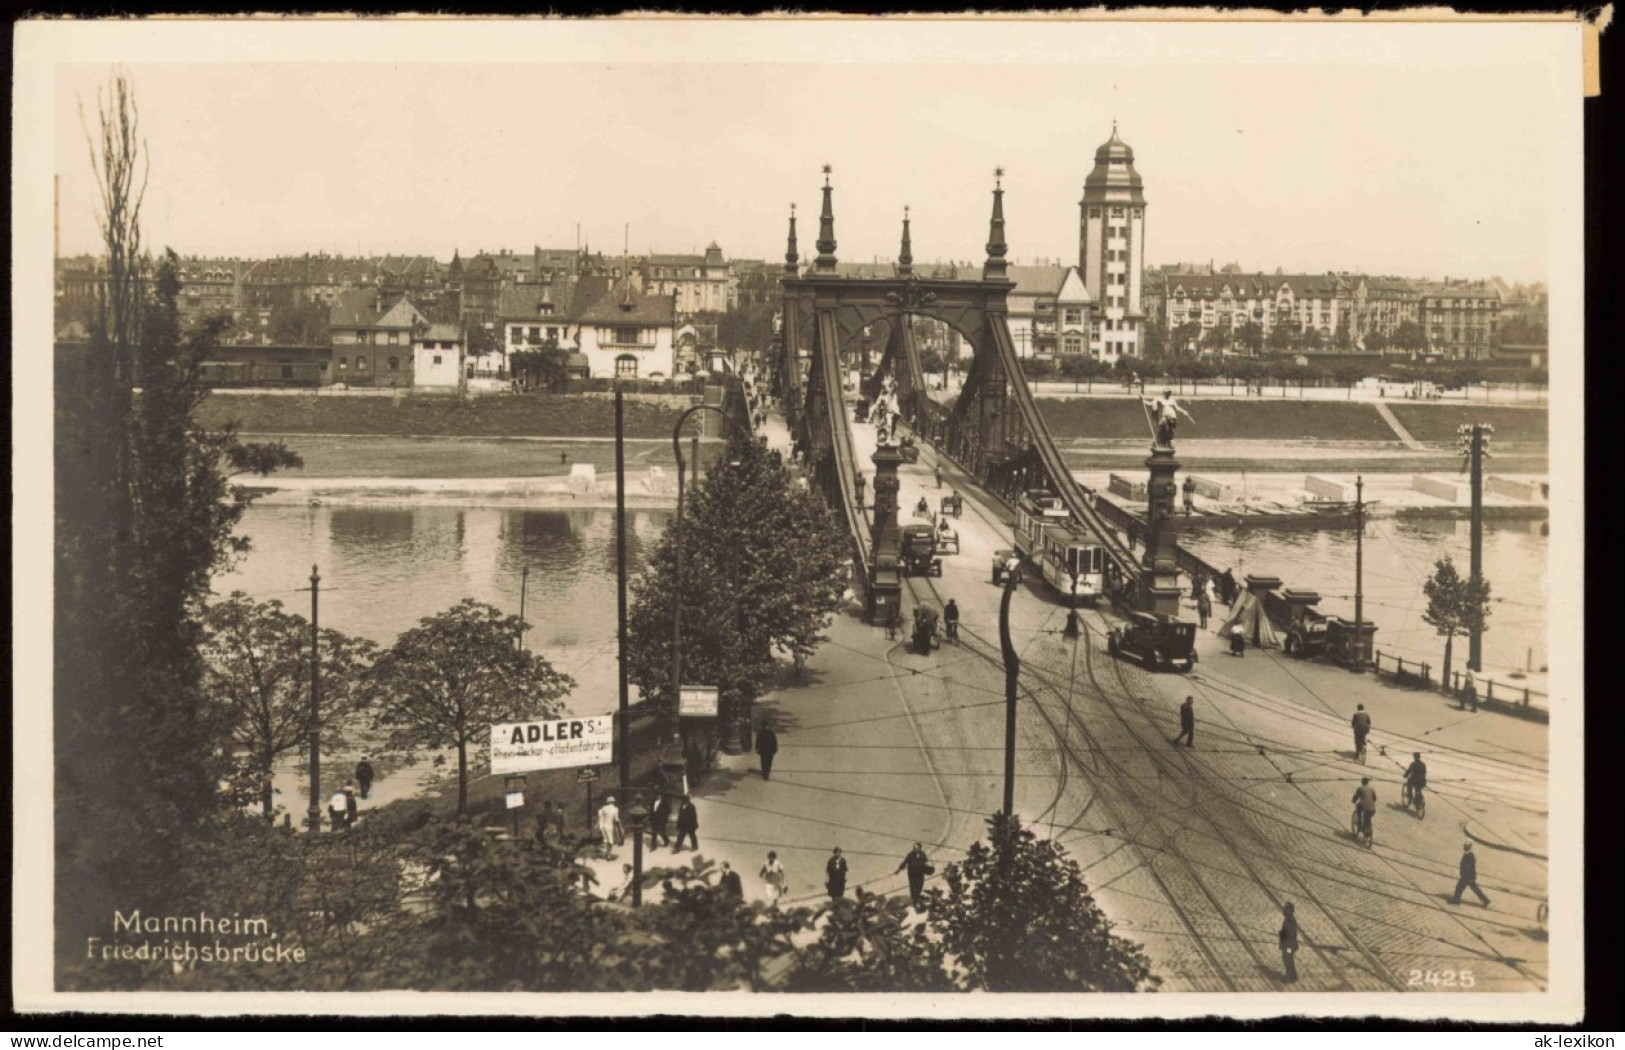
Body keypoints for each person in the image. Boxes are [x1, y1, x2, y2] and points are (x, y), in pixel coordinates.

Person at [896, 843, 933, 908]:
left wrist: (929, 868)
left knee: (919, 886)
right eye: (914, 848)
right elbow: (905, 862)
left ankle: (917, 899)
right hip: (912, 874)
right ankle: (914, 901)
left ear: (919, 848)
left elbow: (926, 862)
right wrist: (899, 869)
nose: (915, 849)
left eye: (916, 848)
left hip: (920, 873)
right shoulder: (910, 854)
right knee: (913, 887)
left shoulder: (923, 854)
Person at [1278, 903, 1300, 983]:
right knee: (1287, 959)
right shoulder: (1288, 919)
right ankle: (1293, 975)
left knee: (1288, 960)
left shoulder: (1289, 920)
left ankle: (1290, 976)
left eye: (1287, 909)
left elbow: (1291, 933)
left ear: (1291, 910)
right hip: (1287, 944)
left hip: (1289, 945)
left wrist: (1282, 934)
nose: (1286, 911)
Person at [597, 794, 621, 860]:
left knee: (606, 840)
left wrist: (600, 826)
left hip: (603, 825)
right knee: (610, 841)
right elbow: (616, 819)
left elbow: (600, 817)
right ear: (613, 802)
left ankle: (607, 853)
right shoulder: (615, 809)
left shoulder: (604, 808)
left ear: (607, 802)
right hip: (610, 826)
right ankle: (609, 855)